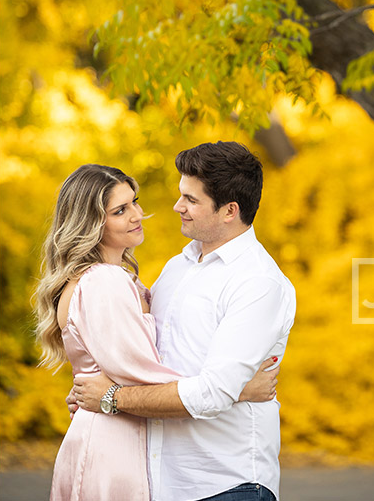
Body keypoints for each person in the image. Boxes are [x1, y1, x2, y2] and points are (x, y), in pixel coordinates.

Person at [34, 164, 279, 501]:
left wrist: (101, 391)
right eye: (120, 210)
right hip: (114, 446)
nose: (137, 214)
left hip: (121, 437)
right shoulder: (106, 281)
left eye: (134, 201)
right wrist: (236, 389)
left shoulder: (117, 278)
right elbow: (142, 377)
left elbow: (118, 374)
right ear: (91, 224)